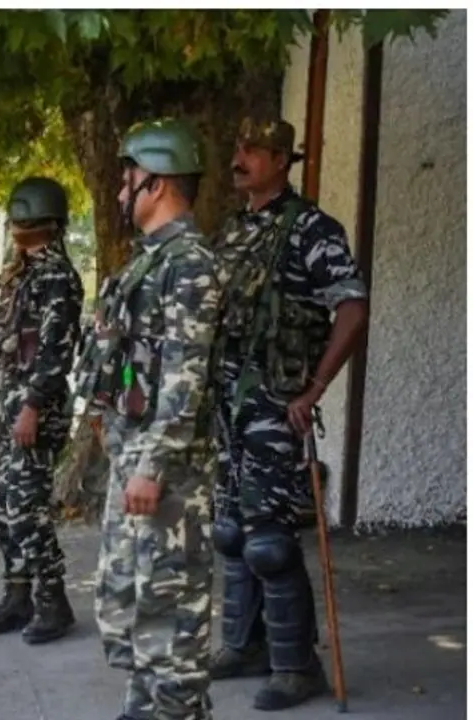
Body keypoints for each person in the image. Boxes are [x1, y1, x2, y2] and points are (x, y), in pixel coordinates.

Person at [207, 118, 369, 711]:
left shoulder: (312, 230)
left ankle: (297, 667)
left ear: (282, 160)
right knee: (232, 531)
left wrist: (315, 388)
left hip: (275, 405)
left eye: (254, 149)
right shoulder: (233, 231)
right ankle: (244, 645)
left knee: (269, 539)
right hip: (228, 406)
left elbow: (352, 309)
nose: (240, 157)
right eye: (238, 146)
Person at [86, 119, 222, 720]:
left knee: (171, 617)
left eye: (128, 179)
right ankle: (143, 709)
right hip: (134, 459)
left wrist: (153, 465)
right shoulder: (150, 261)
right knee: (131, 608)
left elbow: (184, 379)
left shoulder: (189, 265)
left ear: (157, 183)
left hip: (166, 475)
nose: (121, 191)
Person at [0, 177, 84, 644]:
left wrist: (33, 406)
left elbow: (56, 350)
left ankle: (53, 602)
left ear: (44, 222)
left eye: (22, 217)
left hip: (37, 405)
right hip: (14, 400)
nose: (15, 225)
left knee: (26, 506)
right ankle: (17, 596)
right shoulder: (22, 273)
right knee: (3, 504)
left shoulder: (57, 276)